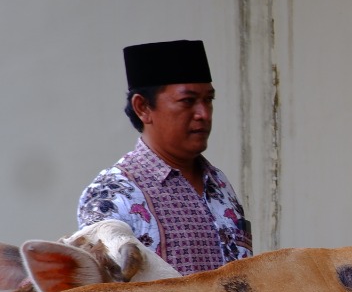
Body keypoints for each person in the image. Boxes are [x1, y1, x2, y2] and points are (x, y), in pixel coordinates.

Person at [78, 40, 251, 274]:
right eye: (187, 101)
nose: (203, 114)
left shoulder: (219, 183)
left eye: (208, 100)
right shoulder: (112, 193)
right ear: (143, 108)